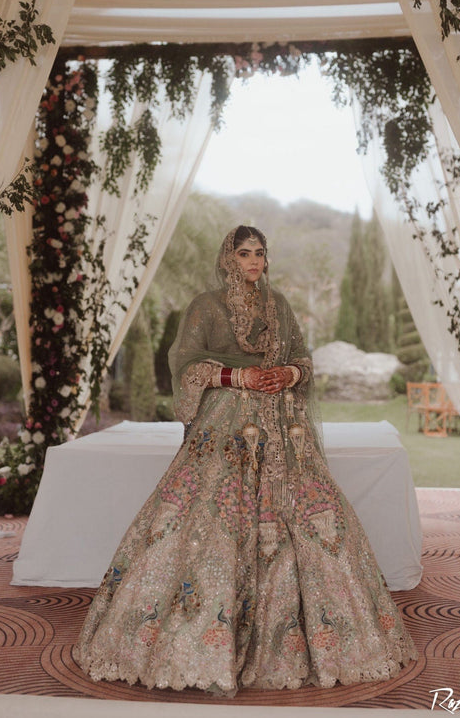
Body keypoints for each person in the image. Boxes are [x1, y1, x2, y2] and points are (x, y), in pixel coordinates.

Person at [74, 225, 418, 694]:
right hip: (226, 428)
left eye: (259, 253)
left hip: (282, 430)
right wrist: (240, 376)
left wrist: (287, 372)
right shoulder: (206, 306)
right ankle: (195, 643)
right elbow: (186, 364)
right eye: (244, 254)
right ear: (228, 259)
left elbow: (305, 359)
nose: (253, 261)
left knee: (309, 518)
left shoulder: (278, 307)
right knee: (209, 519)